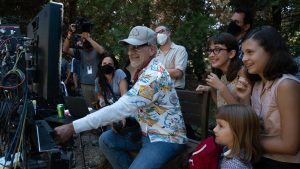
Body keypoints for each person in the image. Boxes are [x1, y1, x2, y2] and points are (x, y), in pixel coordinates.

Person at [54, 26, 187, 169]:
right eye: (129, 48)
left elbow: (122, 107)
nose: (131, 52)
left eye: (137, 47)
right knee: (106, 139)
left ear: (152, 50)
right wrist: (123, 118)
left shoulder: (154, 76)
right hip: (144, 132)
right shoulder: (145, 70)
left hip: (165, 137)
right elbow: (135, 107)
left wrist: (72, 127)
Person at [237, 26, 300, 169]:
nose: (244, 59)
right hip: (259, 158)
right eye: (243, 53)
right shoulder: (257, 85)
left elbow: (290, 145)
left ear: (271, 52)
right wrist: (245, 98)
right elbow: (250, 126)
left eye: (250, 52)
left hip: (283, 163)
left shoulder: (286, 85)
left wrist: (243, 141)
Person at [195, 33, 249, 107]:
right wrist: (212, 88)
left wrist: (221, 87)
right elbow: (220, 106)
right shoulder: (220, 74)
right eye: (210, 50)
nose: (211, 55)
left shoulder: (242, 72)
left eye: (217, 49)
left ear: (231, 53)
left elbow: (242, 112)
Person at [63, 23, 105, 106]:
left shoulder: (96, 50)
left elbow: (102, 51)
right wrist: (69, 35)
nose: (84, 39)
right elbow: (65, 49)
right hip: (84, 85)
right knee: (90, 109)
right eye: (83, 38)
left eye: (86, 38)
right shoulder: (80, 52)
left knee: (101, 108)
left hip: (98, 85)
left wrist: (88, 38)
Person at [214, 104, 261, 168]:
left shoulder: (231, 166)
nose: (214, 129)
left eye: (221, 126)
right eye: (216, 124)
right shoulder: (242, 153)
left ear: (238, 131)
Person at [154, 25, 188, 89]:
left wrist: (155, 71)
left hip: (176, 91)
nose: (158, 35)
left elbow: (178, 73)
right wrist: (171, 70)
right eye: (156, 34)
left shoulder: (180, 49)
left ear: (169, 33)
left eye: (161, 31)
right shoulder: (155, 54)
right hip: (158, 90)